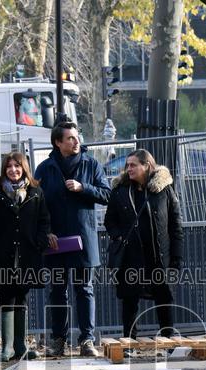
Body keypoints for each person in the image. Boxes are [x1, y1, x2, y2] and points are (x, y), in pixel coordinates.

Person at [34, 121, 111, 357]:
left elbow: (107, 194)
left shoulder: (92, 164)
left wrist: (83, 187)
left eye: (77, 137)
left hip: (83, 239)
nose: (76, 141)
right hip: (55, 240)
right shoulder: (45, 169)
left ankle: (87, 340)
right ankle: (58, 340)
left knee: (84, 289)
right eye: (70, 138)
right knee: (57, 291)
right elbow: (36, 203)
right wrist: (46, 233)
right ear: (58, 143)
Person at [0, 152, 57, 361]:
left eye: (17, 166)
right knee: (6, 297)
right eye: (9, 167)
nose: (13, 170)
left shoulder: (35, 191)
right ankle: (7, 347)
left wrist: (39, 243)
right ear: (4, 169)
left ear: (24, 168)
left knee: (22, 297)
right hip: (3, 255)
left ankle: (21, 346)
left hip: (27, 254)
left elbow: (44, 221)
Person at [104, 150, 183, 340]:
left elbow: (176, 225)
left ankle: (169, 341)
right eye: (127, 166)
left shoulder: (164, 189)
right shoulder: (120, 190)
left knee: (164, 299)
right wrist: (119, 237)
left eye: (133, 165)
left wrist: (176, 259)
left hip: (159, 257)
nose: (128, 169)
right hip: (130, 257)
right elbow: (109, 221)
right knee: (130, 301)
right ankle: (129, 341)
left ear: (146, 165)